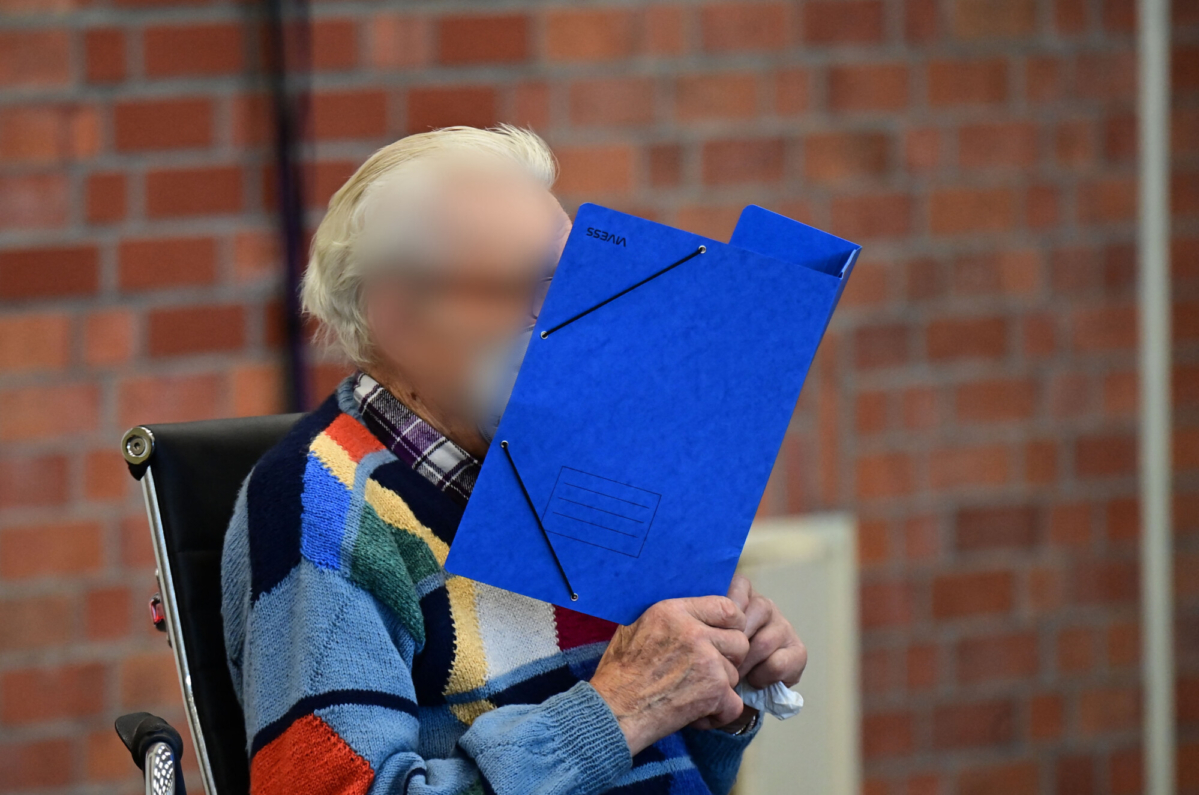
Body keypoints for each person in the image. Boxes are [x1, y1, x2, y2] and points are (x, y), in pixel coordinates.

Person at [221, 124, 807, 795]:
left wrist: (717, 686)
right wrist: (616, 712)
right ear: (401, 318)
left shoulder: (574, 458)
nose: (575, 318)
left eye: (578, 281)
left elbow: (670, 766)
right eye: (536, 286)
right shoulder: (320, 498)